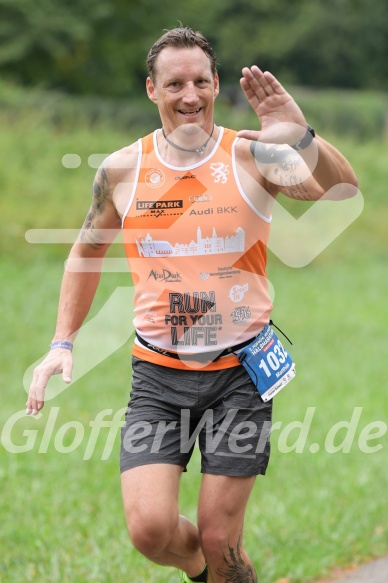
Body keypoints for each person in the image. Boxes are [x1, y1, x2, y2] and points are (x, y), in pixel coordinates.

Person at [27, 26, 358, 583]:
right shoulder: (121, 170)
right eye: (175, 82)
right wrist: (62, 342)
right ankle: (206, 569)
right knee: (150, 529)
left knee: (221, 537)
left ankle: (218, 563)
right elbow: (85, 253)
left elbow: (342, 192)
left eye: (201, 81)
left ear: (216, 85)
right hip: (158, 375)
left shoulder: (252, 156)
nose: (190, 95)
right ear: (152, 89)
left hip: (241, 375)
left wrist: (302, 136)